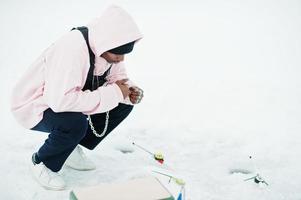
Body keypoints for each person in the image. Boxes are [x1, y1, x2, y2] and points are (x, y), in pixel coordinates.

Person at [10, 5, 144, 190]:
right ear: (106, 43)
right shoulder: (72, 49)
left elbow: (118, 79)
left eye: (124, 54)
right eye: (118, 54)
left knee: (122, 103)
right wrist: (114, 93)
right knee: (74, 123)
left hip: (66, 98)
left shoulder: (108, 47)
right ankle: (42, 162)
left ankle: (70, 147)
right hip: (36, 104)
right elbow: (59, 102)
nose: (121, 59)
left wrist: (128, 90)